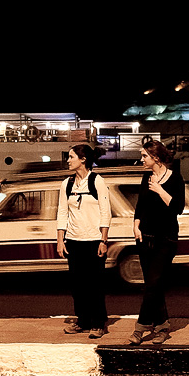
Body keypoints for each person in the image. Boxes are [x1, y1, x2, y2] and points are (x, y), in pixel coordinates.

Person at [128, 140, 185, 345]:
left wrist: (160, 190)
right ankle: (162, 326)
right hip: (145, 237)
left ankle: (140, 327)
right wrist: (136, 225)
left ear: (156, 157)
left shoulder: (175, 178)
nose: (141, 159)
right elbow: (141, 204)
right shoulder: (147, 177)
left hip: (166, 238)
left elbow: (178, 207)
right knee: (154, 285)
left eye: (144, 156)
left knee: (153, 282)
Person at [57, 145, 111, 339]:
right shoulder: (67, 184)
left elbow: (106, 211)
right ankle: (82, 320)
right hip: (73, 240)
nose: (68, 160)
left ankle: (98, 323)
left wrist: (104, 240)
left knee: (94, 283)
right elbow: (62, 211)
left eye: (71, 157)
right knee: (77, 285)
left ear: (83, 159)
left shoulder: (97, 181)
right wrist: (60, 240)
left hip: (93, 240)